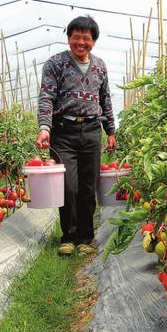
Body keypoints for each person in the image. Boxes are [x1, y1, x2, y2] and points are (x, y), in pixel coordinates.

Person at [36, 15, 116, 256]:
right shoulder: (55, 64)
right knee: (68, 187)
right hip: (63, 131)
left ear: (94, 41)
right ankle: (68, 236)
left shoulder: (100, 66)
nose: (81, 42)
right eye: (76, 37)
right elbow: (46, 98)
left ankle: (86, 237)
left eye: (86, 38)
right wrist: (44, 127)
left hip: (92, 130)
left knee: (88, 186)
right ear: (69, 38)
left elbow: (106, 99)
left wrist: (110, 131)